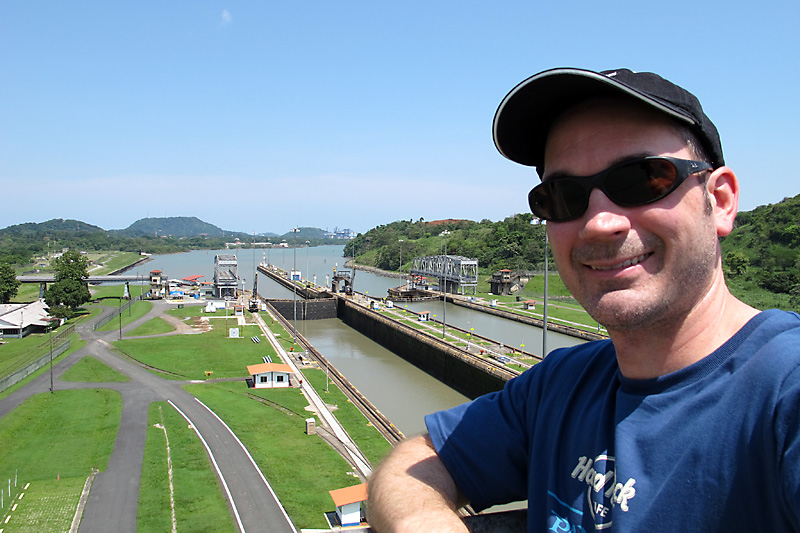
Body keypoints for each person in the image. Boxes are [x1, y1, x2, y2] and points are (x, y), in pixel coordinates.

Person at [367, 68, 800, 532]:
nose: (599, 223)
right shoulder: (561, 385)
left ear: (722, 201)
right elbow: (417, 460)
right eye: (563, 196)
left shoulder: (784, 390)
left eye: (643, 178)